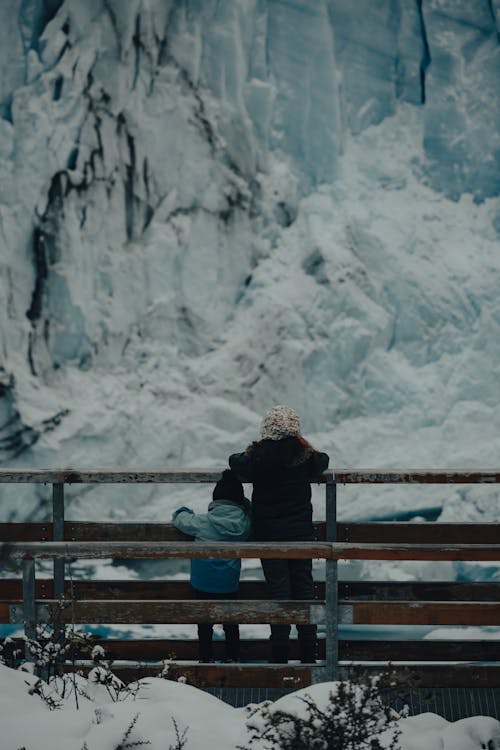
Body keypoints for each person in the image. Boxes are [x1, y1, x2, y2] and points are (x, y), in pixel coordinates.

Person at [229, 405, 329, 664]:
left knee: (279, 593)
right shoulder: (306, 457)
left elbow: (234, 461)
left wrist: (255, 448)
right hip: (301, 536)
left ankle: (280, 655)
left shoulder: (256, 459)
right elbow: (325, 459)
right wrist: (303, 443)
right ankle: (309, 654)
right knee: (304, 591)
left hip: (269, 537)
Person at [172, 469, 251, 663]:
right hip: (229, 584)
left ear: (215, 500)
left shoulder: (202, 522)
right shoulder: (245, 525)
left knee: (204, 622)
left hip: (203, 582)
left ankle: (206, 658)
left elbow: (179, 520)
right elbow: (250, 511)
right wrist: (245, 506)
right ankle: (233, 656)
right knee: (231, 622)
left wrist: (183, 510)